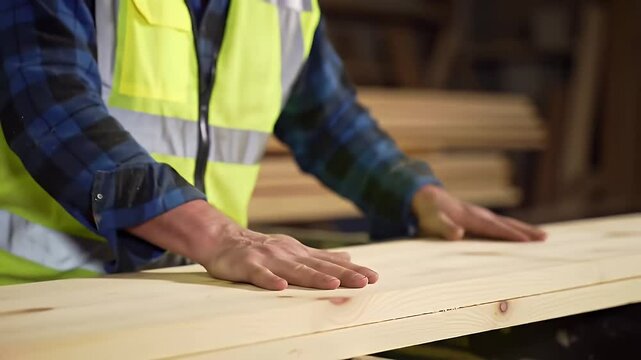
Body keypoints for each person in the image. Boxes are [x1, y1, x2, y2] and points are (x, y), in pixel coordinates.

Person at [0, 0, 545, 288]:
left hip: (192, 283)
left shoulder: (283, 6)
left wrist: (416, 195)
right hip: (35, 289)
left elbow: (325, 117)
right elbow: (49, 102)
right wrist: (217, 234)